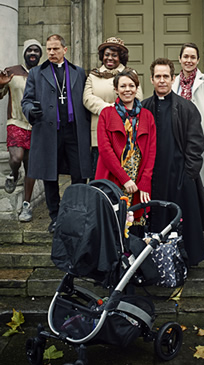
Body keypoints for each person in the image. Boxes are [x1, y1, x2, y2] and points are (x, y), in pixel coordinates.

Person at [142, 58, 204, 266]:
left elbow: (196, 144)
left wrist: (189, 174)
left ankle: (186, 259)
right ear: (151, 79)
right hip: (153, 177)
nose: (162, 80)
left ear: (173, 79)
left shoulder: (186, 108)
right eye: (158, 77)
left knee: (184, 221)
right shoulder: (144, 108)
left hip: (181, 176)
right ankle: (154, 262)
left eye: (166, 76)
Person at [21, 34, 92, 233]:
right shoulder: (36, 73)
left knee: (79, 174)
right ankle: (55, 216)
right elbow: (26, 101)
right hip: (47, 131)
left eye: (56, 49)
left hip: (74, 131)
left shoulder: (78, 72)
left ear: (65, 50)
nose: (52, 52)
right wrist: (30, 112)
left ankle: (76, 214)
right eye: (49, 49)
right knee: (49, 175)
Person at [95, 68, 156, 233]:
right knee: (112, 224)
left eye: (131, 85)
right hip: (114, 178)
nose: (127, 89)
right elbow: (105, 150)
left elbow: (151, 151)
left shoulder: (147, 116)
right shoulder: (106, 114)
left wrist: (144, 182)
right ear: (116, 89)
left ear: (137, 88)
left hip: (138, 179)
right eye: (123, 86)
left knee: (135, 225)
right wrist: (125, 179)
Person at [83, 37, 143, 179]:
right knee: (99, 175)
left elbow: (138, 97)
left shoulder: (130, 73)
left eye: (114, 55)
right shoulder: (93, 75)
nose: (110, 58)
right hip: (99, 134)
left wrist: (118, 110)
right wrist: (109, 109)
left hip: (124, 133)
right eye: (107, 54)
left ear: (120, 57)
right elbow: (87, 98)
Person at [172, 42, 204, 213]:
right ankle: (185, 211)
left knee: (203, 174)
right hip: (179, 135)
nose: (189, 60)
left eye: (193, 57)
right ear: (180, 59)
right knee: (183, 173)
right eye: (186, 56)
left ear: (198, 60)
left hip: (201, 134)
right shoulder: (173, 82)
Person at [0, 39, 42, 222]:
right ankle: (14, 173)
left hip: (36, 125)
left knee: (31, 164)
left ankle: (26, 205)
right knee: (16, 158)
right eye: (29, 50)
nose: (33, 53)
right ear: (24, 53)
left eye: (36, 51)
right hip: (16, 121)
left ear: (40, 55)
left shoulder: (44, 73)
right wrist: (1, 84)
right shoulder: (12, 71)